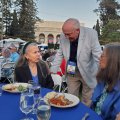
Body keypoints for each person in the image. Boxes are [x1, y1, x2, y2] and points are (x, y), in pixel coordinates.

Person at [50, 18, 102, 106]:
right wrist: (53, 69)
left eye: (68, 34)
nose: (66, 37)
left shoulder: (91, 34)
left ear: (77, 30)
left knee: (87, 98)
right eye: (65, 34)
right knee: (70, 97)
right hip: (71, 70)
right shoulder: (63, 35)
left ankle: (85, 115)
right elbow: (60, 53)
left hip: (88, 71)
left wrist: (105, 72)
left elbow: (98, 55)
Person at [91, 43, 120, 120]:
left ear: (112, 60)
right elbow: (94, 104)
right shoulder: (103, 79)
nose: (99, 57)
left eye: (102, 56)